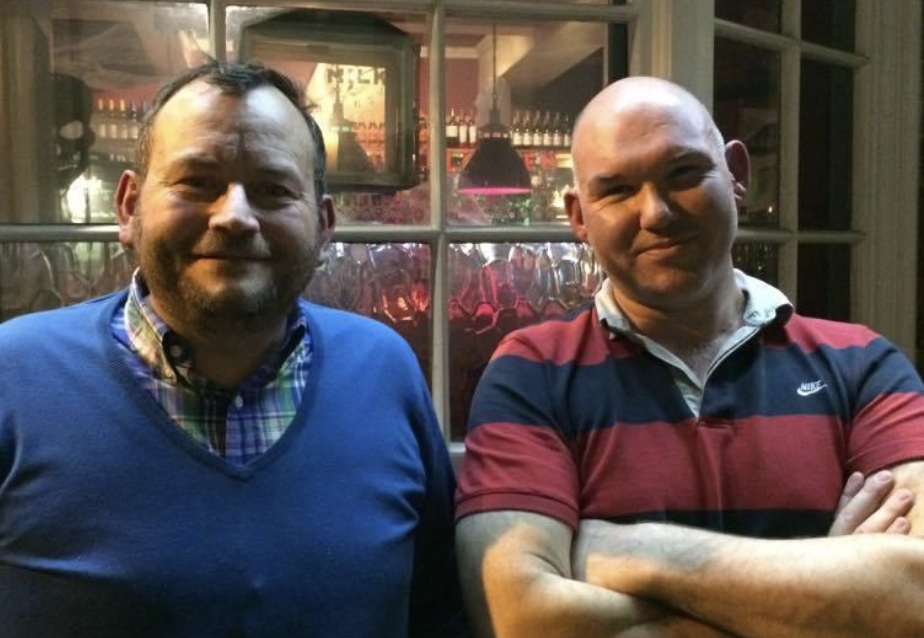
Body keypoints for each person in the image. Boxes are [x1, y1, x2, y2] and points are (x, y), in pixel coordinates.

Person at [0, 60, 466, 638]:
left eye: (273, 190)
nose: (236, 216)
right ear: (128, 207)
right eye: (197, 182)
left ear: (324, 227)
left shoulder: (383, 369)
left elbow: (443, 612)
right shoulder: (13, 374)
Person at [454, 76, 924, 638]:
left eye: (682, 173)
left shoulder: (862, 365)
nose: (655, 212)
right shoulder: (532, 374)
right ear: (579, 217)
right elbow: (523, 621)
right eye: (617, 190)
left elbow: (917, 597)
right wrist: (827, 598)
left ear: (737, 175)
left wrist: (632, 550)